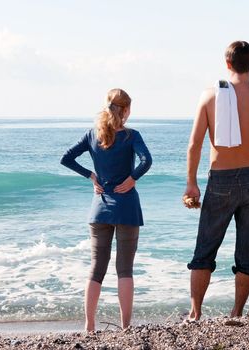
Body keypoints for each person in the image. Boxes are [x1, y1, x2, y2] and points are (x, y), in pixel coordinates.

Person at [184, 40, 249, 320]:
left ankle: (195, 313)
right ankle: (237, 312)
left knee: (205, 248)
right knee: (248, 252)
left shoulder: (209, 96)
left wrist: (191, 183)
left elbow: (194, 145)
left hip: (221, 179)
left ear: (227, 64)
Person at [60, 88, 152, 331]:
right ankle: (125, 326)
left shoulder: (93, 135)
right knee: (125, 269)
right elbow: (147, 161)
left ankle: (89, 325)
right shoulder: (131, 136)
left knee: (96, 268)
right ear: (126, 110)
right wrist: (132, 179)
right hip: (127, 209)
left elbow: (66, 158)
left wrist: (91, 176)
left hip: (99, 210)